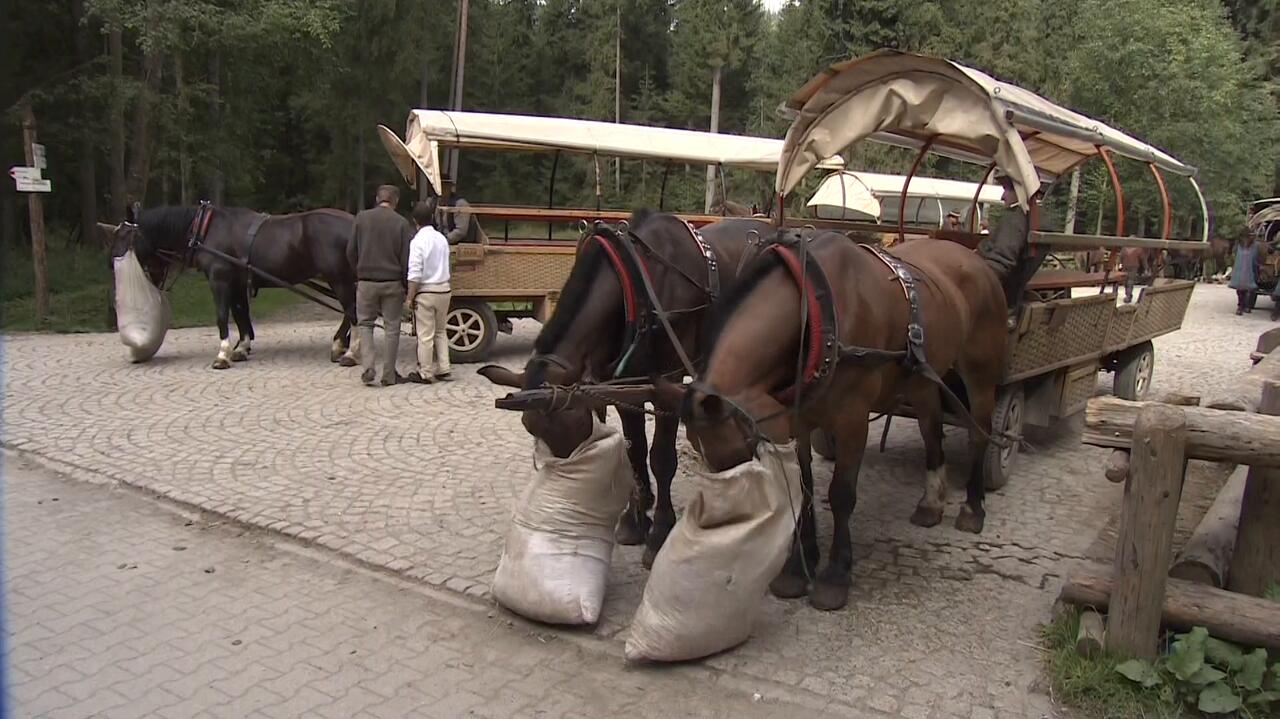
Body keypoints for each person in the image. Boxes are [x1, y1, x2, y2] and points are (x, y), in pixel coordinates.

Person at [347, 184, 414, 386]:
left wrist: (358, 272)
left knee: (365, 324)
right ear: (396, 201)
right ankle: (389, 375)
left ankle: (368, 366)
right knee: (392, 328)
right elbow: (406, 258)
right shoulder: (402, 223)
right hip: (392, 282)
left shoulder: (361, 218)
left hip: (366, 281)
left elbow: (350, 250)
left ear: (377, 199)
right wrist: (404, 283)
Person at [977, 173, 1048, 327]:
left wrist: (971, 289)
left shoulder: (1016, 219)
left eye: (1007, 190)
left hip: (994, 298)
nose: (1003, 196)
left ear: (1021, 191)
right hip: (1011, 296)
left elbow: (999, 264)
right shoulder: (1039, 219)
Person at [404, 199, 453, 384]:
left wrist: (410, 297)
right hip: (444, 289)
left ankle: (425, 371)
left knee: (425, 334)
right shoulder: (441, 238)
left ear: (414, 220)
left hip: (426, 291)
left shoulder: (417, 241)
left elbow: (415, 273)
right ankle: (444, 367)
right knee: (441, 331)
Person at [436, 176, 489, 245]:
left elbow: (461, 231)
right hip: (447, 242)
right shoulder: (437, 203)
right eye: (440, 187)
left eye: (445, 186)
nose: (442, 190)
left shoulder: (460, 204)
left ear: (450, 187)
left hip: (467, 244)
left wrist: (443, 240)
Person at [1230, 229, 1262, 315]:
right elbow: (1233, 256)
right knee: (1240, 290)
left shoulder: (1256, 246)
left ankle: (1247, 306)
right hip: (1240, 270)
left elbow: (1259, 257)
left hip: (1251, 270)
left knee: (1250, 289)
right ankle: (1240, 306)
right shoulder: (1238, 246)